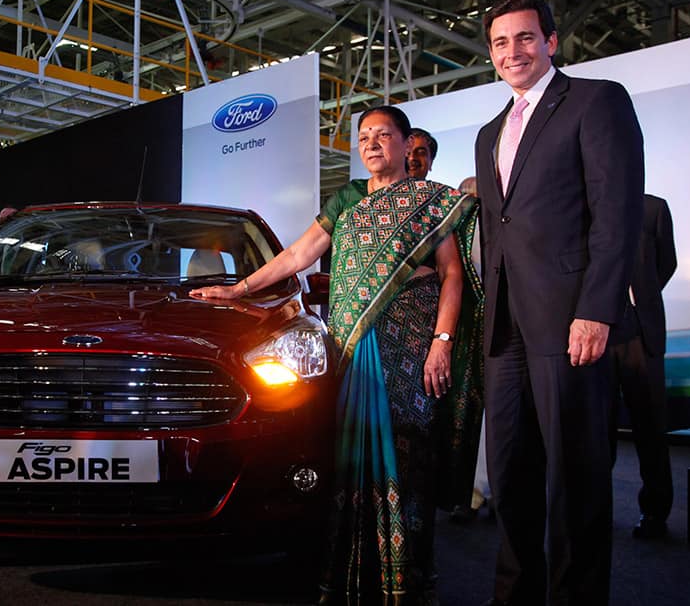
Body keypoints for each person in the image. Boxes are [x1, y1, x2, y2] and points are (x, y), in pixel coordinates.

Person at [191, 105, 482, 605]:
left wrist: (442, 342)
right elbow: (296, 257)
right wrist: (239, 288)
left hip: (412, 342)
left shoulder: (433, 202)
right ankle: (352, 571)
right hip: (353, 345)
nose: (371, 143)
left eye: (383, 135)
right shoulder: (347, 198)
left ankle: (407, 576)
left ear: (405, 142)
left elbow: (453, 274)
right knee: (351, 453)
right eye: (364, 136)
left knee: (409, 453)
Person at [474, 0, 644, 606]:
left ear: (550, 42)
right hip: (506, 331)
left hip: (571, 319)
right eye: (500, 42)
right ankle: (513, 596)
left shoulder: (597, 102)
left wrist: (596, 309)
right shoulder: (488, 133)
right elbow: (497, 231)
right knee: (512, 474)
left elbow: (616, 213)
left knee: (574, 481)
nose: (512, 51)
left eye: (524, 38)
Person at [609, 194, 676, 539]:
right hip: (598, 333)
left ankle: (655, 513)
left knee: (650, 428)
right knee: (597, 431)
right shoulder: (581, 209)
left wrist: (642, 298)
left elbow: (667, 263)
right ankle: (594, 508)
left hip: (642, 330)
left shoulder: (653, 208)